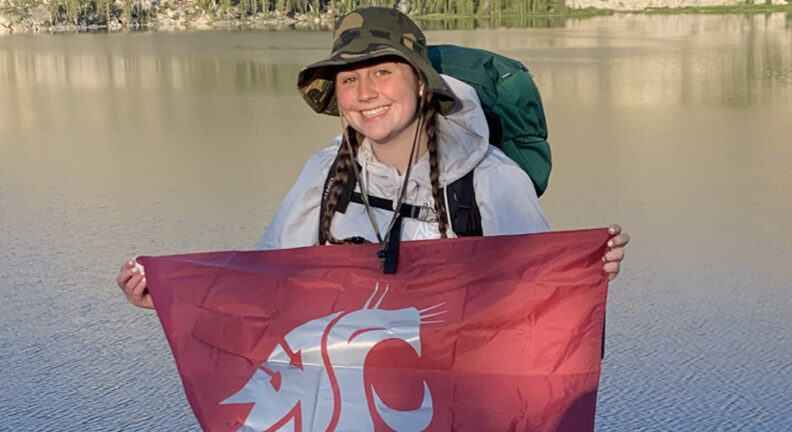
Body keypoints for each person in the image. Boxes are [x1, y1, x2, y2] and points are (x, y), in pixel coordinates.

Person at [117, 6, 629, 309]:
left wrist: (584, 272)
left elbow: (539, 303)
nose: (366, 93)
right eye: (348, 79)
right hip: (353, 404)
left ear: (422, 83)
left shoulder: (491, 180)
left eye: (383, 72)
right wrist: (170, 296)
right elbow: (268, 282)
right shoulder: (325, 175)